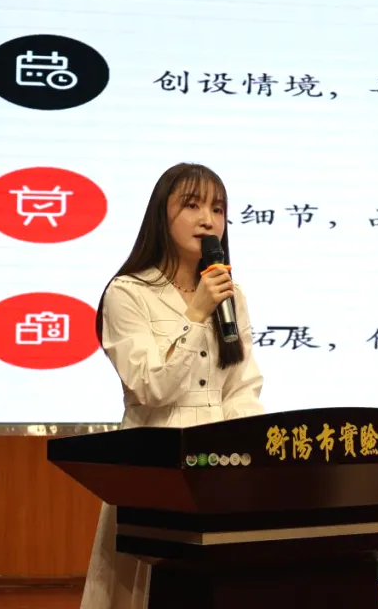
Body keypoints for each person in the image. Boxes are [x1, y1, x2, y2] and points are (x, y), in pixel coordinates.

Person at [80, 162, 265, 609]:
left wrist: (250, 463)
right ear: (161, 215)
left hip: (220, 472)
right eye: (192, 205)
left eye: (217, 209)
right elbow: (151, 388)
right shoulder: (128, 292)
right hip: (153, 472)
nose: (208, 220)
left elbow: (242, 388)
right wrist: (196, 313)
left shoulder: (231, 294)